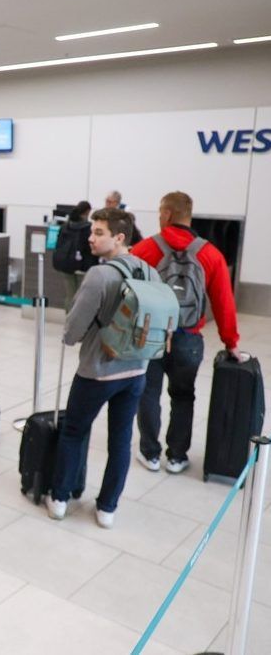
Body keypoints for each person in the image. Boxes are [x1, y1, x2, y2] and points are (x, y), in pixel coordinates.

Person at [47, 208, 158, 529]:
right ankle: (107, 508)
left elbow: (73, 329)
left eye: (98, 233)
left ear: (119, 237)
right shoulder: (148, 271)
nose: (90, 238)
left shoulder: (100, 275)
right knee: (120, 442)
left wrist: (70, 337)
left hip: (97, 370)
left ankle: (60, 498)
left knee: (74, 432)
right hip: (136, 370)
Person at [131, 191, 241, 474]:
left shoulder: (145, 249)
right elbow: (224, 301)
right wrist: (232, 342)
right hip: (189, 337)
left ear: (167, 214)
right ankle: (177, 456)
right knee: (183, 395)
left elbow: (128, 291)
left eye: (159, 212)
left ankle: (150, 453)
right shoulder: (210, 254)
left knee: (148, 393)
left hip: (152, 334)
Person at [56, 201, 96, 309]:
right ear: (87, 212)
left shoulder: (65, 226)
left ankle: (68, 321)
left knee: (70, 296)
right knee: (81, 296)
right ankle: (77, 322)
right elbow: (91, 248)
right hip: (82, 266)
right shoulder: (88, 228)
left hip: (67, 265)